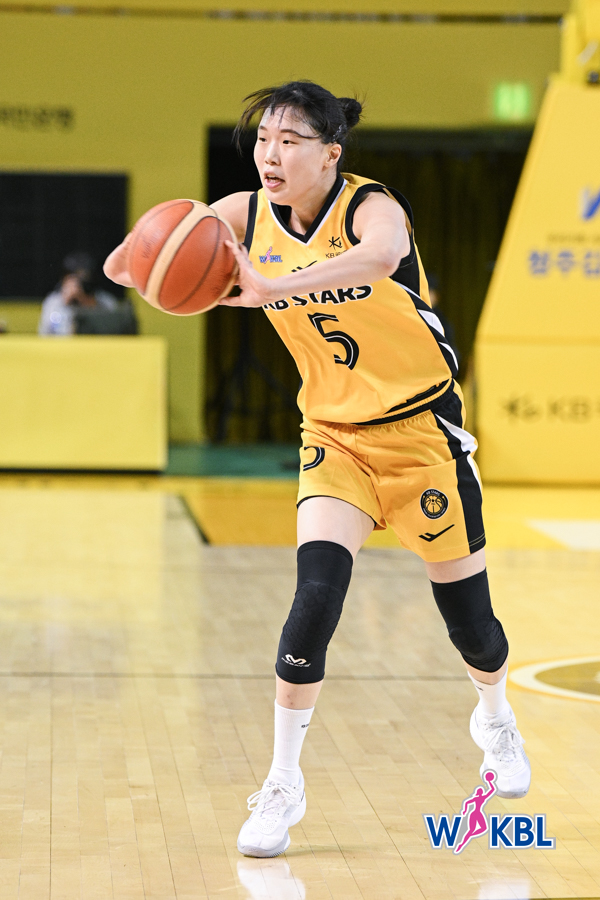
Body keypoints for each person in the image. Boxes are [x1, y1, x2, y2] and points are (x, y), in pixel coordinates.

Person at [104, 80, 530, 859]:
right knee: (314, 600)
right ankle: (282, 782)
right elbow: (122, 267)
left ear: (331, 154)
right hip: (333, 436)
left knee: (474, 629)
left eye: (290, 141)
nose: (270, 155)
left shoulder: (371, 207)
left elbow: (382, 258)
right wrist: (158, 256)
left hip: (421, 435)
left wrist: (273, 286)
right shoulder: (240, 216)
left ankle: (495, 715)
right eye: (264, 140)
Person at [39, 251, 119, 335]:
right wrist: (64, 303)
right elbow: (45, 334)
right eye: (72, 278)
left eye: (82, 279)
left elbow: (115, 330)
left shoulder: (106, 301)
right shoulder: (54, 302)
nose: (77, 285)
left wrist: (88, 303)